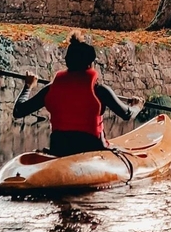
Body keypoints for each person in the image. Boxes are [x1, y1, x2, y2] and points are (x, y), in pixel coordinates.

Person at [13, 32, 143, 156]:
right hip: (92, 150)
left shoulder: (51, 89)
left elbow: (18, 111)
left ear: (68, 62)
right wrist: (137, 106)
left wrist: (28, 86)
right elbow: (127, 114)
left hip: (59, 150)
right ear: (90, 64)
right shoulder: (99, 90)